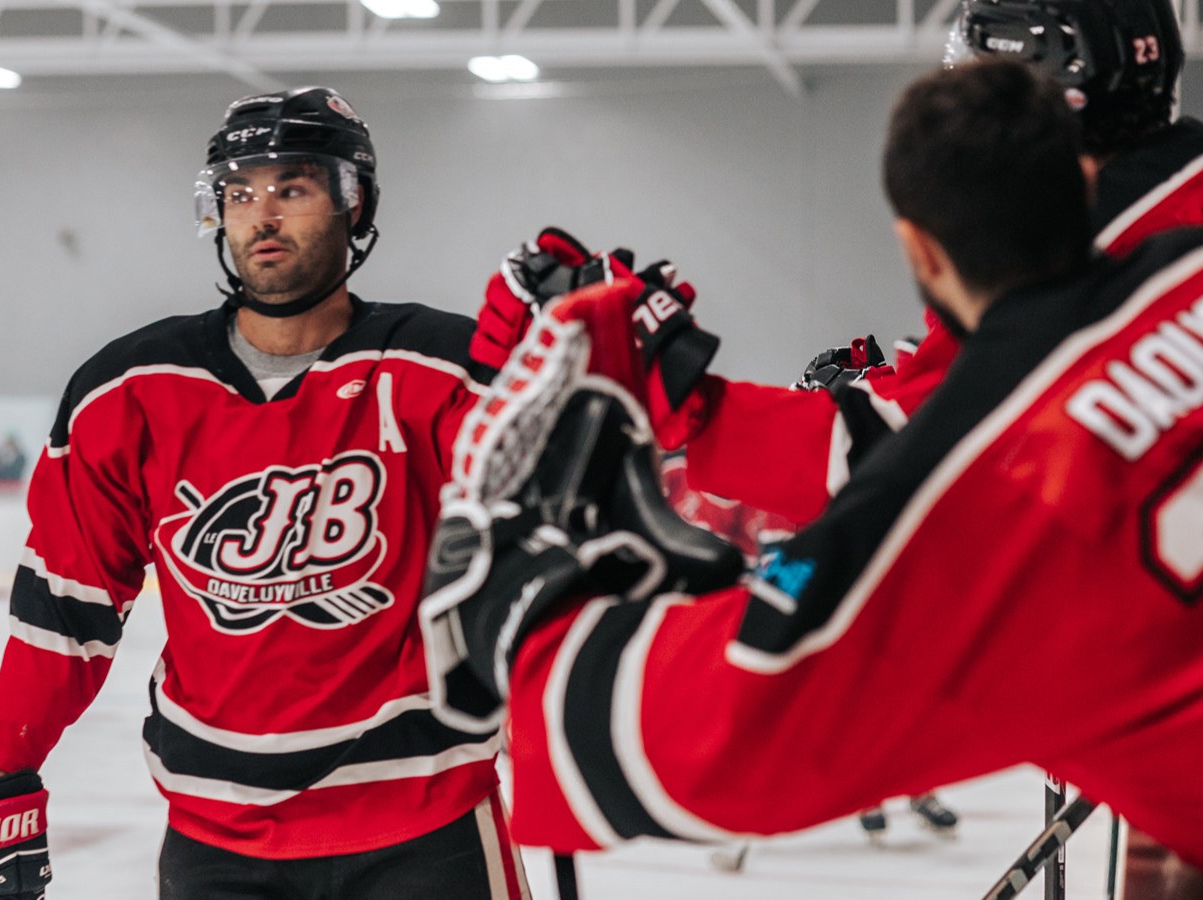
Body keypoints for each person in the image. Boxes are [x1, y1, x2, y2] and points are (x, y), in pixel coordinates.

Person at [423, 58, 1203, 870]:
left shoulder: (965, 520)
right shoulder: (1184, 262)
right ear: (1084, 185)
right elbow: (910, 424)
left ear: (920, 251)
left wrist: (513, 565)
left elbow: (653, 738)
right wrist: (701, 404)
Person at [0, 87, 529, 900]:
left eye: (294, 188)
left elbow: (555, 538)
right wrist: (1, 772)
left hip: (423, 829)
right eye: (240, 194)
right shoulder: (130, 390)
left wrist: (567, 376)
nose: (263, 216)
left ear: (356, 204)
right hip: (220, 840)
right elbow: (68, 605)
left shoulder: (447, 370)